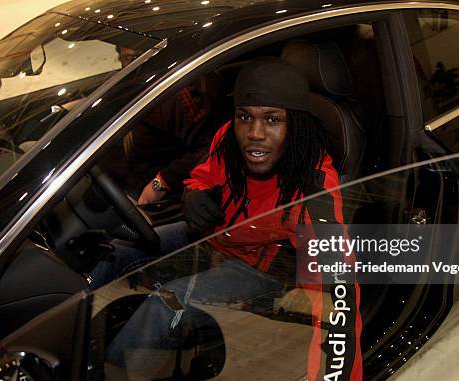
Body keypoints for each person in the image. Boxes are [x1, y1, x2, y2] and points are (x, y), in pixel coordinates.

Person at [98, 58, 362, 381]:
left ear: (295, 125)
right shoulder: (228, 138)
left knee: (165, 303)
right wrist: (191, 195)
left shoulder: (314, 185)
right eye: (245, 117)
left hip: (259, 268)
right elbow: (201, 175)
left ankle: (110, 375)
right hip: (213, 235)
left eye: (272, 120)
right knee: (119, 249)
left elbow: (339, 293)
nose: (254, 133)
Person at [99, 46, 215, 204]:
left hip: (161, 200)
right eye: (130, 60)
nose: (137, 67)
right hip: (116, 185)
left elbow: (208, 148)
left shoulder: (176, 97)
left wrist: (160, 183)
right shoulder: (123, 90)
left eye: (142, 58)